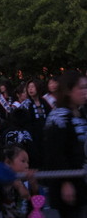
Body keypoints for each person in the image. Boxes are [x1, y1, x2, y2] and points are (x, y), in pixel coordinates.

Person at [44, 71, 87, 218]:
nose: (84, 92)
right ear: (69, 90)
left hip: (81, 179)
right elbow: (54, 153)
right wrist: (65, 182)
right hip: (68, 182)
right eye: (81, 88)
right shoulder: (58, 116)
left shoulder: (81, 112)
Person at [0, 145, 39, 218]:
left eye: (28, 162)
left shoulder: (27, 181)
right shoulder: (3, 179)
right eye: (23, 161)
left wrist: (34, 185)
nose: (27, 165)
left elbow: (37, 205)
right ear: (8, 162)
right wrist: (18, 184)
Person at [20, 79, 51, 168]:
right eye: (29, 87)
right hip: (33, 136)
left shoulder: (45, 102)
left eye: (32, 87)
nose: (30, 89)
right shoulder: (26, 104)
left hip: (45, 135)